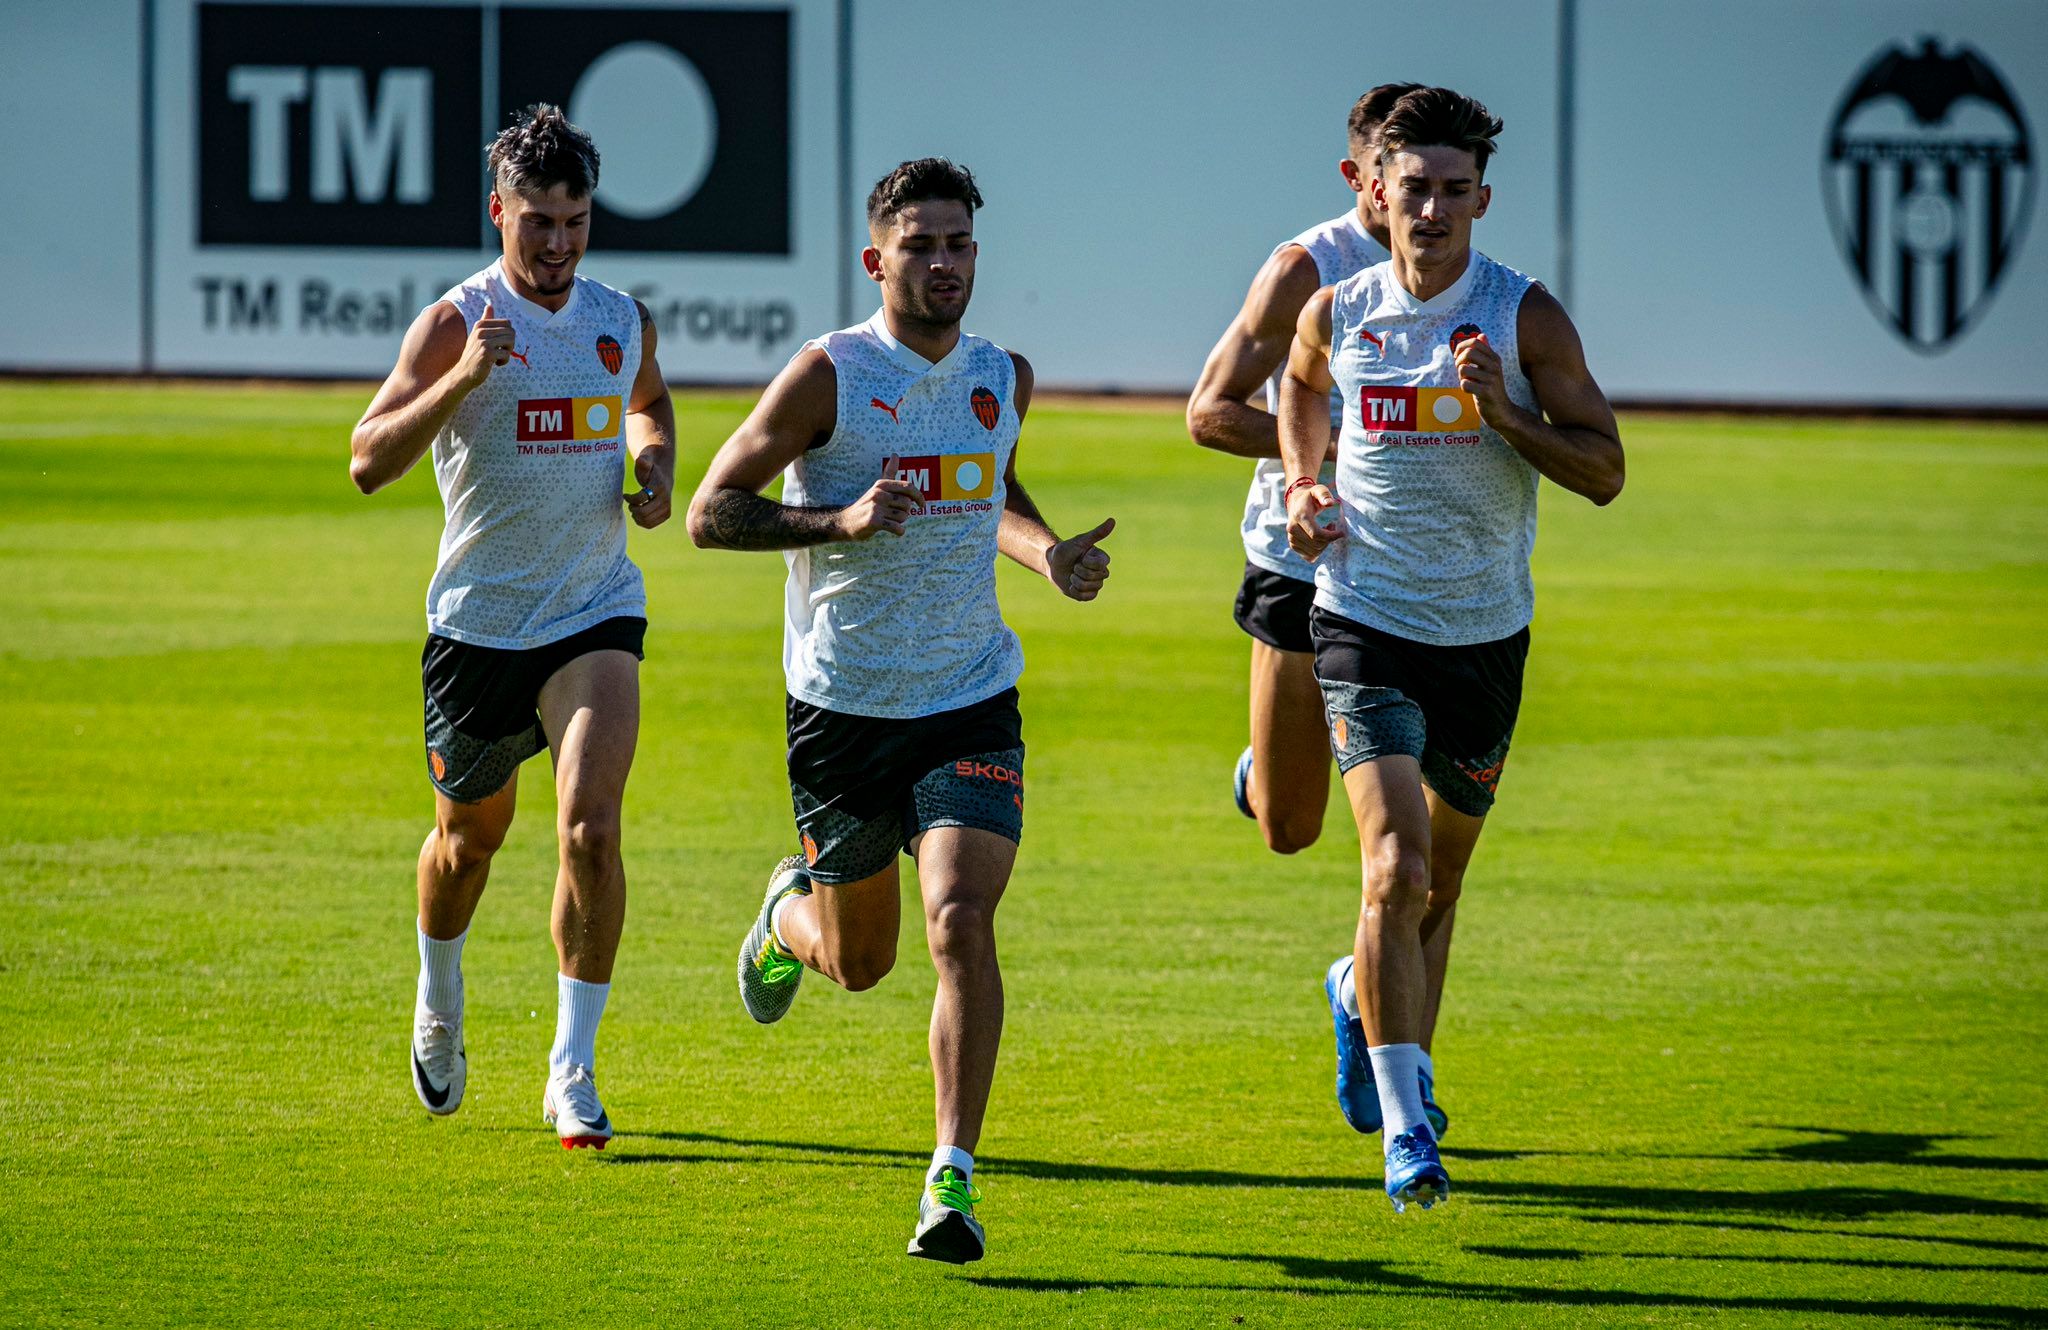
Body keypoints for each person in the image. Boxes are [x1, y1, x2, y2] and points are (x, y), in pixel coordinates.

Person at [686, 158, 1113, 1264]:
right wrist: (837, 524)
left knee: (959, 921)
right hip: (841, 710)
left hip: (970, 698)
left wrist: (1045, 552)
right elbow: (709, 513)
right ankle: (787, 914)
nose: (941, 264)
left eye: (958, 244)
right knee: (861, 961)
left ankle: (950, 1180)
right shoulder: (827, 376)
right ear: (876, 260)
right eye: (918, 246)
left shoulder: (1000, 375)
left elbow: (991, 493)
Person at [1276, 86, 1625, 1210]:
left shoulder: (1523, 320)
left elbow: (1603, 471)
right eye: (1410, 187)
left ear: (1482, 196)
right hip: (1362, 620)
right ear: (1373, 191)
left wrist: (1504, 415)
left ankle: (1358, 996)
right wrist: (1300, 482)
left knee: (1440, 886)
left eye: (1450, 190)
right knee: (1396, 866)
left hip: (1484, 635)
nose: (1429, 208)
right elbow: (1294, 387)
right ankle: (1404, 1127)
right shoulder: (1339, 309)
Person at [348, 104, 675, 1151]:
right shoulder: (454, 322)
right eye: (537, 220)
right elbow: (367, 460)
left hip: (592, 612)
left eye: (574, 220)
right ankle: (438, 995)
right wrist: (464, 377)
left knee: (589, 826)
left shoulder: (621, 317)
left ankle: (571, 1072)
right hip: (478, 625)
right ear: (499, 213)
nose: (557, 243)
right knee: (468, 840)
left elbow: (648, 402)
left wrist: (653, 459)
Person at [1188, 84, 1419, 857]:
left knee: (1403, 844)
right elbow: (1209, 413)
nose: (1413, 200)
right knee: (1290, 826)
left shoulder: (1460, 273)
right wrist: (1336, 449)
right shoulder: (1306, 269)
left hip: (1411, 564)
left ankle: (1366, 982)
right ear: (1360, 180)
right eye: (1393, 178)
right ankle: (1267, 766)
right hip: (1300, 554)